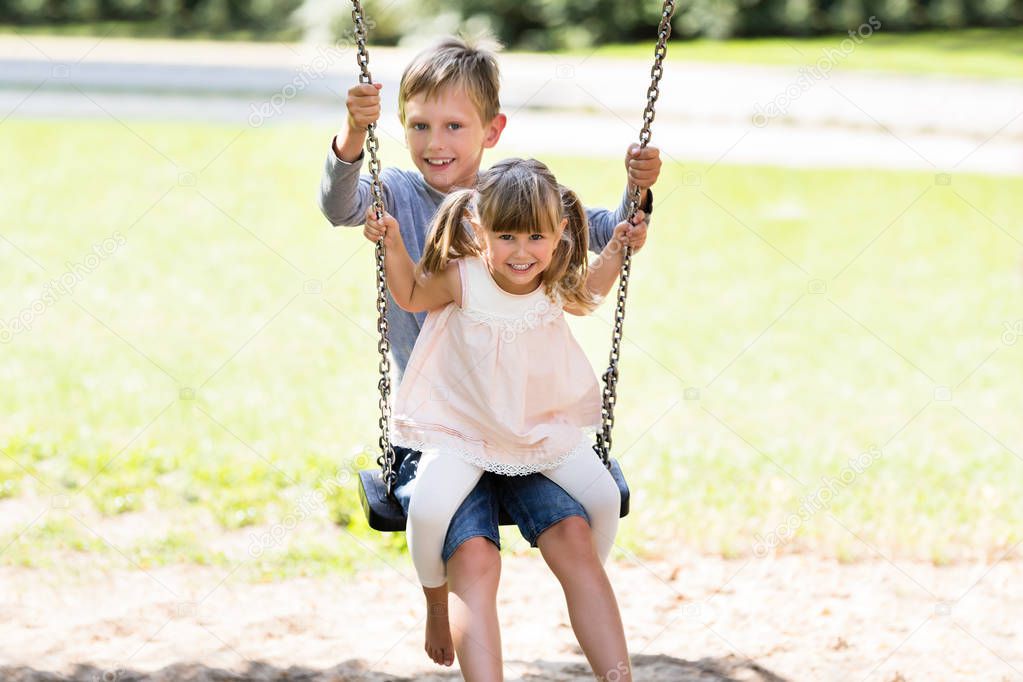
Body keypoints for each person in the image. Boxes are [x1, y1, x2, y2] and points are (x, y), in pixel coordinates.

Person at [318, 36, 660, 680]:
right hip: (445, 423)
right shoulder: (396, 189)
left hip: (530, 421)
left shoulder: (524, 199)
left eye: (453, 125)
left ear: (492, 130)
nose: (434, 141)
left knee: (577, 537)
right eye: (419, 125)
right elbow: (340, 206)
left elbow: (607, 230)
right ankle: (439, 607)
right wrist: (352, 135)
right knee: (475, 559)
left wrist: (637, 190)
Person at [364, 157, 645, 681]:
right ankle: (436, 607)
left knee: (604, 498)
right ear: (478, 228)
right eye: (507, 236)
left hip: (538, 428)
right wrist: (393, 242)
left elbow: (590, 295)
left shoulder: (554, 277)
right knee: (427, 512)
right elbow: (407, 295)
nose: (521, 252)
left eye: (536, 236)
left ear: (561, 234)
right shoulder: (462, 277)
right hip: (464, 430)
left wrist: (618, 249)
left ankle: (590, 605)